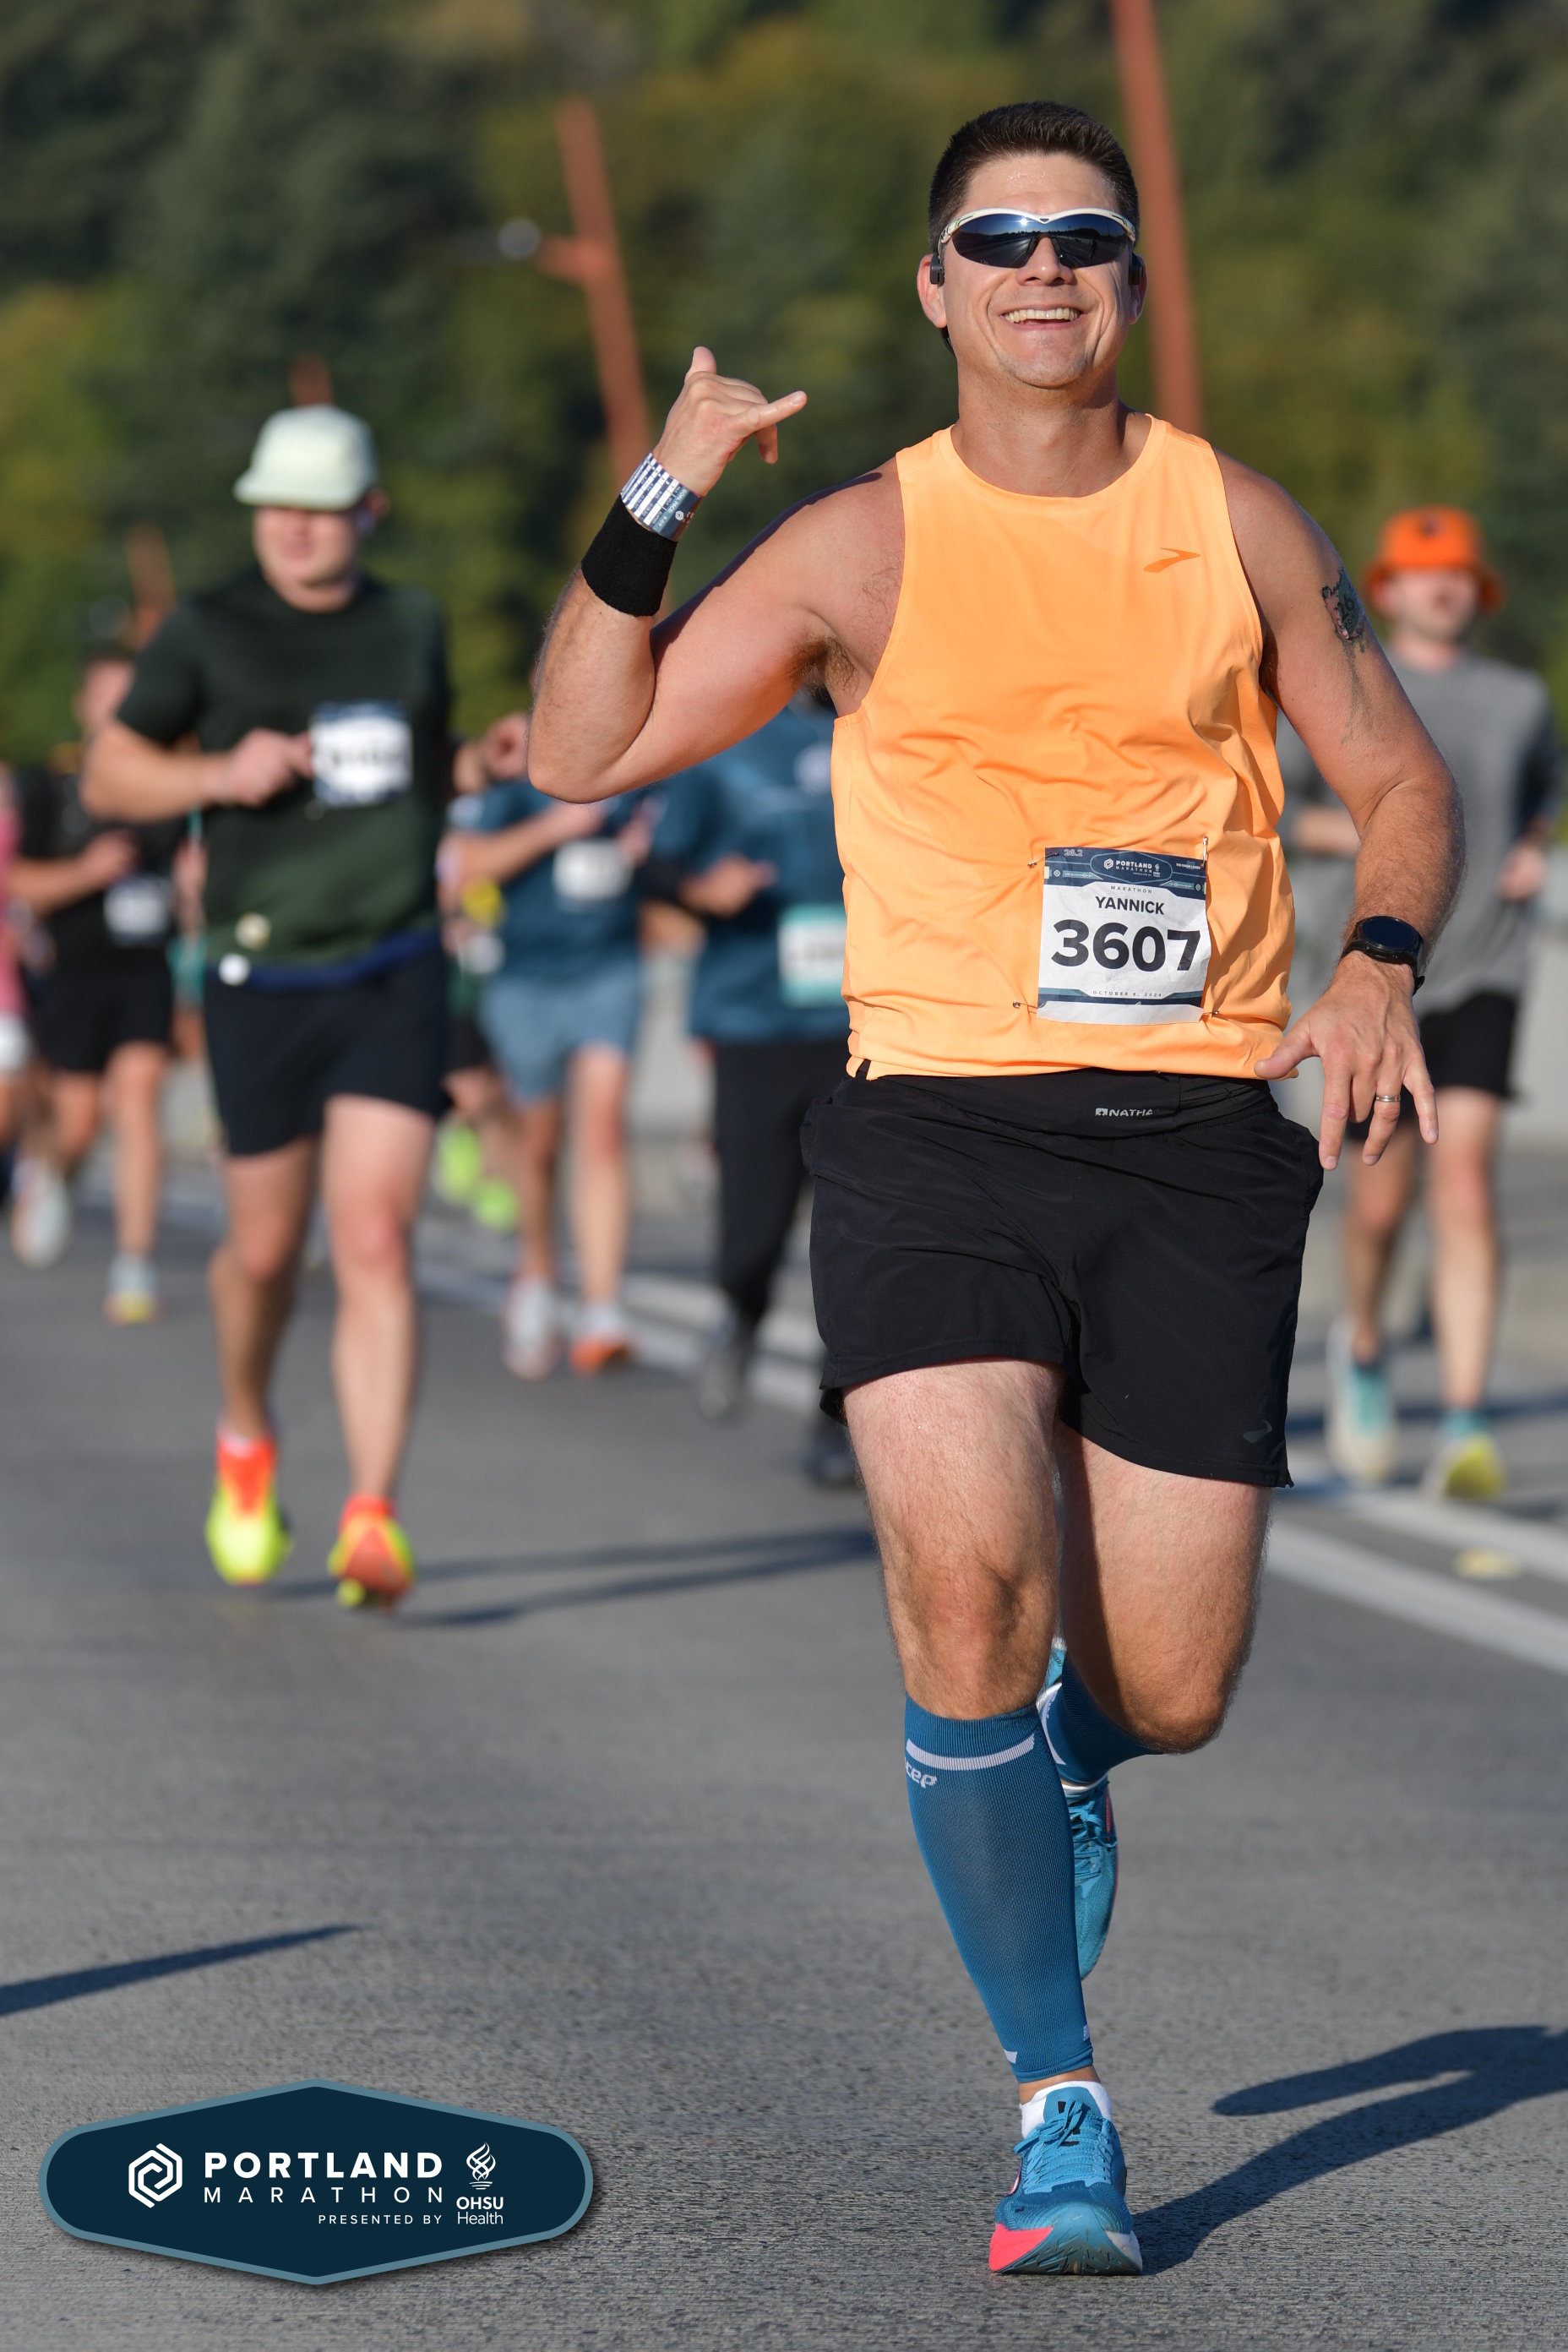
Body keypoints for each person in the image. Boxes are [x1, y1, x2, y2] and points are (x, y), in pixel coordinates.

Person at [526, 101, 1460, 2276]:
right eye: (1001, 238)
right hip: (934, 1120)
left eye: (1084, 236)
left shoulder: (1233, 518)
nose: (1045, 268)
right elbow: (579, 748)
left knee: (1177, 1684)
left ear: (1126, 278)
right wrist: (661, 490)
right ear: (937, 288)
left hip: (1196, 1138)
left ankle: (1073, 1744)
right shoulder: (858, 543)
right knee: (962, 1596)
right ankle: (1059, 2103)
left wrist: (1379, 960)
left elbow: (1397, 774)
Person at [84, 401, 528, 1603]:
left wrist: (476, 764)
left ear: (367, 513)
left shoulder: (412, 622)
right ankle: (245, 1430)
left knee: (375, 1238)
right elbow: (112, 772)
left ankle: (372, 1515)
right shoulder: (208, 626)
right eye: (277, 506)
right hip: (260, 973)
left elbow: (411, 769)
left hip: (392, 962)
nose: (295, 528)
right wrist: (216, 773)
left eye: (321, 510)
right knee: (268, 1250)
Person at [1319, 508, 1563, 1497]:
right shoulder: (1349, 689)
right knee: (1380, 1200)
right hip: (1377, 974)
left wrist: (1529, 847)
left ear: (1477, 589)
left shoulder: (1517, 699)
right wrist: (1389, 840)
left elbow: (1542, 790)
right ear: (1384, 589)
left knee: (1462, 1185)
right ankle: (1363, 1343)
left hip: (1486, 964)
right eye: (1424, 573)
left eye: (1457, 572)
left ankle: (1464, 1421)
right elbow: (1279, 802)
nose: (1442, 586)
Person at [643, 694, 857, 1484]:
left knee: (855, 1236)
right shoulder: (723, 739)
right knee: (752, 1236)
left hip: (866, 1022)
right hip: (754, 1020)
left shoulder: (893, 723)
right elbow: (656, 866)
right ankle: (741, 1308)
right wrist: (699, 891)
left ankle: (836, 1423)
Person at [437, 741, 649, 1380]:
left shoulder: (636, 755)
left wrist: (645, 851)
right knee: (539, 1142)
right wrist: (556, 827)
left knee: (603, 1126)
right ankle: (536, 1270)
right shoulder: (517, 772)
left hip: (609, 970)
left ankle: (602, 1305)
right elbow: (464, 867)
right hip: (525, 980)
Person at [8, 651, 182, 1320]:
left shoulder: (167, 786)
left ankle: (135, 1263)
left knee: (138, 1101)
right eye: (106, 696)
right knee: (77, 1123)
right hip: (76, 970)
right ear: (84, 704)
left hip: (146, 967)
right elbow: (17, 883)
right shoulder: (50, 786)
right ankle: (51, 1172)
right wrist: (85, 872)